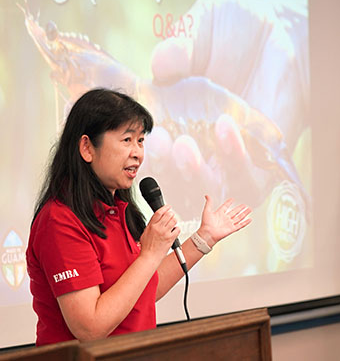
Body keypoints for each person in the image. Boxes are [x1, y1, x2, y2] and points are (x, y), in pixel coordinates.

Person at [26, 88, 252, 345]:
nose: (138, 153)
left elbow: (143, 290)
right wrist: (149, 254)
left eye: (141, 140)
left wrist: (203, 238)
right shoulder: (60, 220)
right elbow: (90, 327)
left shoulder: (118, 210)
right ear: (87, 148)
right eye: (127, 140)